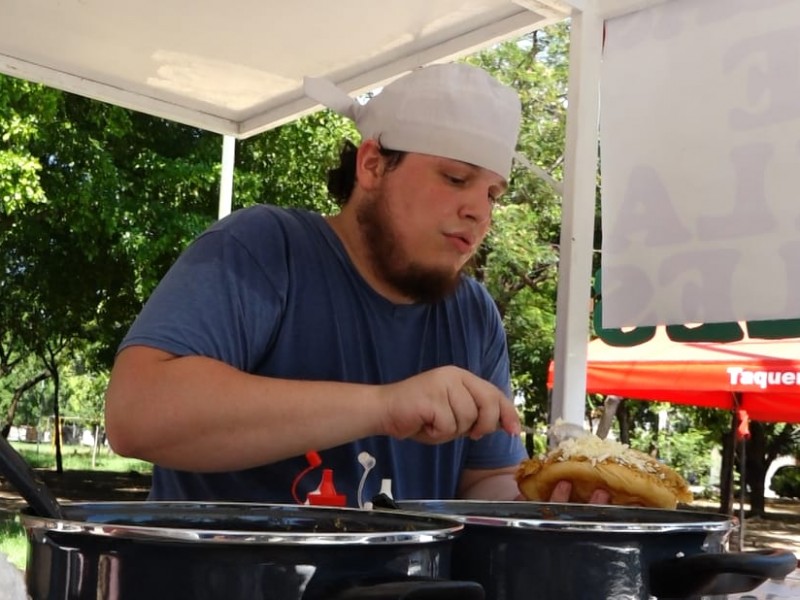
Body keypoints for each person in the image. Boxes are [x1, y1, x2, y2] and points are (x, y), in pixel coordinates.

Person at [105, 62, 599, 506]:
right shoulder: (265, 248)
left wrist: (554, 502)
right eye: (455, 178)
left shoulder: (473, 314)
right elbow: (137, 415)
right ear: (372, 165)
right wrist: (385, 406)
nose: (481, 211)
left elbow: (483, 483)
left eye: (492, 192)